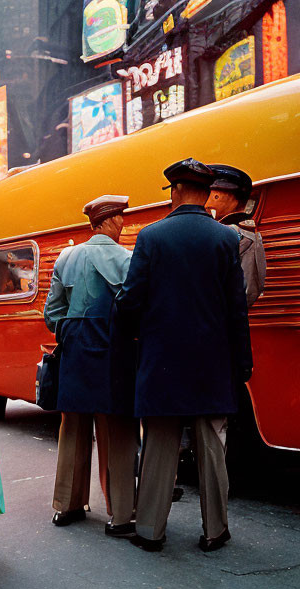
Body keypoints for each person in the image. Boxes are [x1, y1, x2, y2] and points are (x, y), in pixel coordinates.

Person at [117, 158, 252, 553]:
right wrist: (241, 361)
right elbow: (236, 309)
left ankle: (150, 530)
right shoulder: (226, 239)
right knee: (211, 447)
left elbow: (130, 301)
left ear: (174, 191)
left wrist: (131, 336)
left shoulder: (152, 237)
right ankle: (214, 531)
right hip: (212, 362)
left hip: (162, 360)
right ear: (207, 193)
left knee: (160, 443)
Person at [43, 195, 139, 537]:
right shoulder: (126, 258)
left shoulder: (66, 258)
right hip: (114, 353)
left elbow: (51, 315)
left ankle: (67, 505)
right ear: (110, 221)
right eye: (121, 219)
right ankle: (120, 512)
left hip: (75, 355)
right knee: (118, 431)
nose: (123, 224)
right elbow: (136, 309)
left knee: (73, 428)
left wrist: (72, 329)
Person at [206, 164, 266, 306]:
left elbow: (247, 290)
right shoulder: (235, 230)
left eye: (211, 195)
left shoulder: (239, 233)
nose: (205, 203)